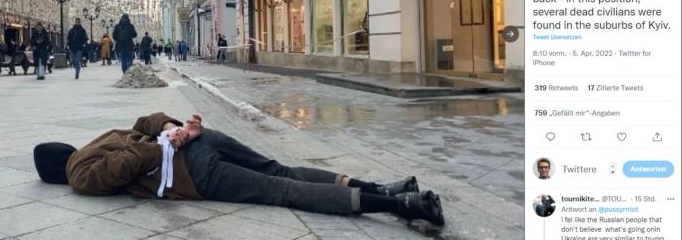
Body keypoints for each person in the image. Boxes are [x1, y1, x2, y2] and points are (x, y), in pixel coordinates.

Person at [33, 112, 444, 226]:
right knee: (282, 170)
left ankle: (400, 206)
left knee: (283, 192)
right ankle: (387, 187)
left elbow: (133, 164)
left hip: (197, 173)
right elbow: (146, 121)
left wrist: (169, 140)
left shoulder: (79, 175)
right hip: (204, 141)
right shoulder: (98, 139)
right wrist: (176, 129)